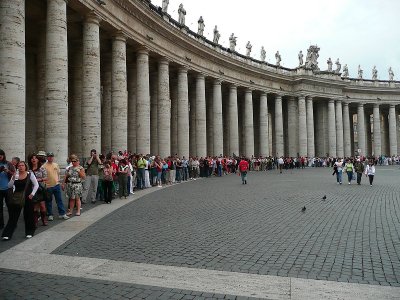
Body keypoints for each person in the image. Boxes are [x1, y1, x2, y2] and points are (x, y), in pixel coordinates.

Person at [2, 161, 38, 240]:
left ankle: (29, 232)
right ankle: (7, 234)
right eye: (19, 165)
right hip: (17, 197)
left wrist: (32, 194)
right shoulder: (16, 175)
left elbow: (36, 185)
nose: (21, 167)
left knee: (28, 215)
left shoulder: (30, 174)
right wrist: (13, 177)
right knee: (13, 216)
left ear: (25, 167)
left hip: (28, 197)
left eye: (22, 165)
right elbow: (9, 185)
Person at [43, 152, 69, 220]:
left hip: (56, 185)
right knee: (49, 201)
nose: (50, 157)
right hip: (48, 186)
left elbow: (58, 174)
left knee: (59, 200)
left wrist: (59, 182)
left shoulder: (56, 165)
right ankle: (50, 214)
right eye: (49, 156)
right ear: (47, 157)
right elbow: (43, 176)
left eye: (52, 156)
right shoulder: (44, 166)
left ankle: (62, 213)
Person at [28, 153, 48, 226]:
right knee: (35, 206)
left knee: (42, 206)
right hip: (32, 190)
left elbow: (46, 177)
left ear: (38, 160)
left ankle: (44, 219)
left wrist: (37, 180)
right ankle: (35, 220)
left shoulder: (42, 168)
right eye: (32, 158)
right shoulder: (28, 169)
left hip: (40, 189)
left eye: (35, 158)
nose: (33, 159)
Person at [0, 149, 15, 229]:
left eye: (1, 155)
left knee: (10, 206)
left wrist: (8, 171)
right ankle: (1, 224)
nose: (0, 157)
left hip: (7, 188)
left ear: (3, 156)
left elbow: (14, 174)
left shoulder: (8, 163)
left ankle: (12, 223)